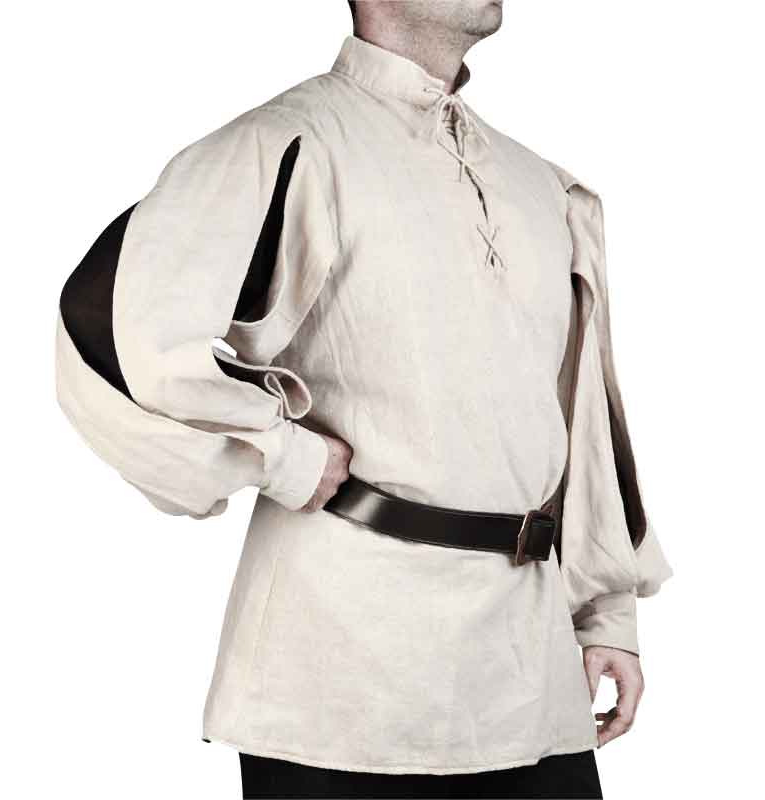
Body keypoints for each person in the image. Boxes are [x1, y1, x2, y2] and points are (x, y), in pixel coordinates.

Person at [55, 1, 674, 797]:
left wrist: (604, 611)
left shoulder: (540, 186)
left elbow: (579, 413)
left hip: (530, 675)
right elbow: (112, 332)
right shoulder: (289, 145)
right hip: (341, 683)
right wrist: (282, 455)